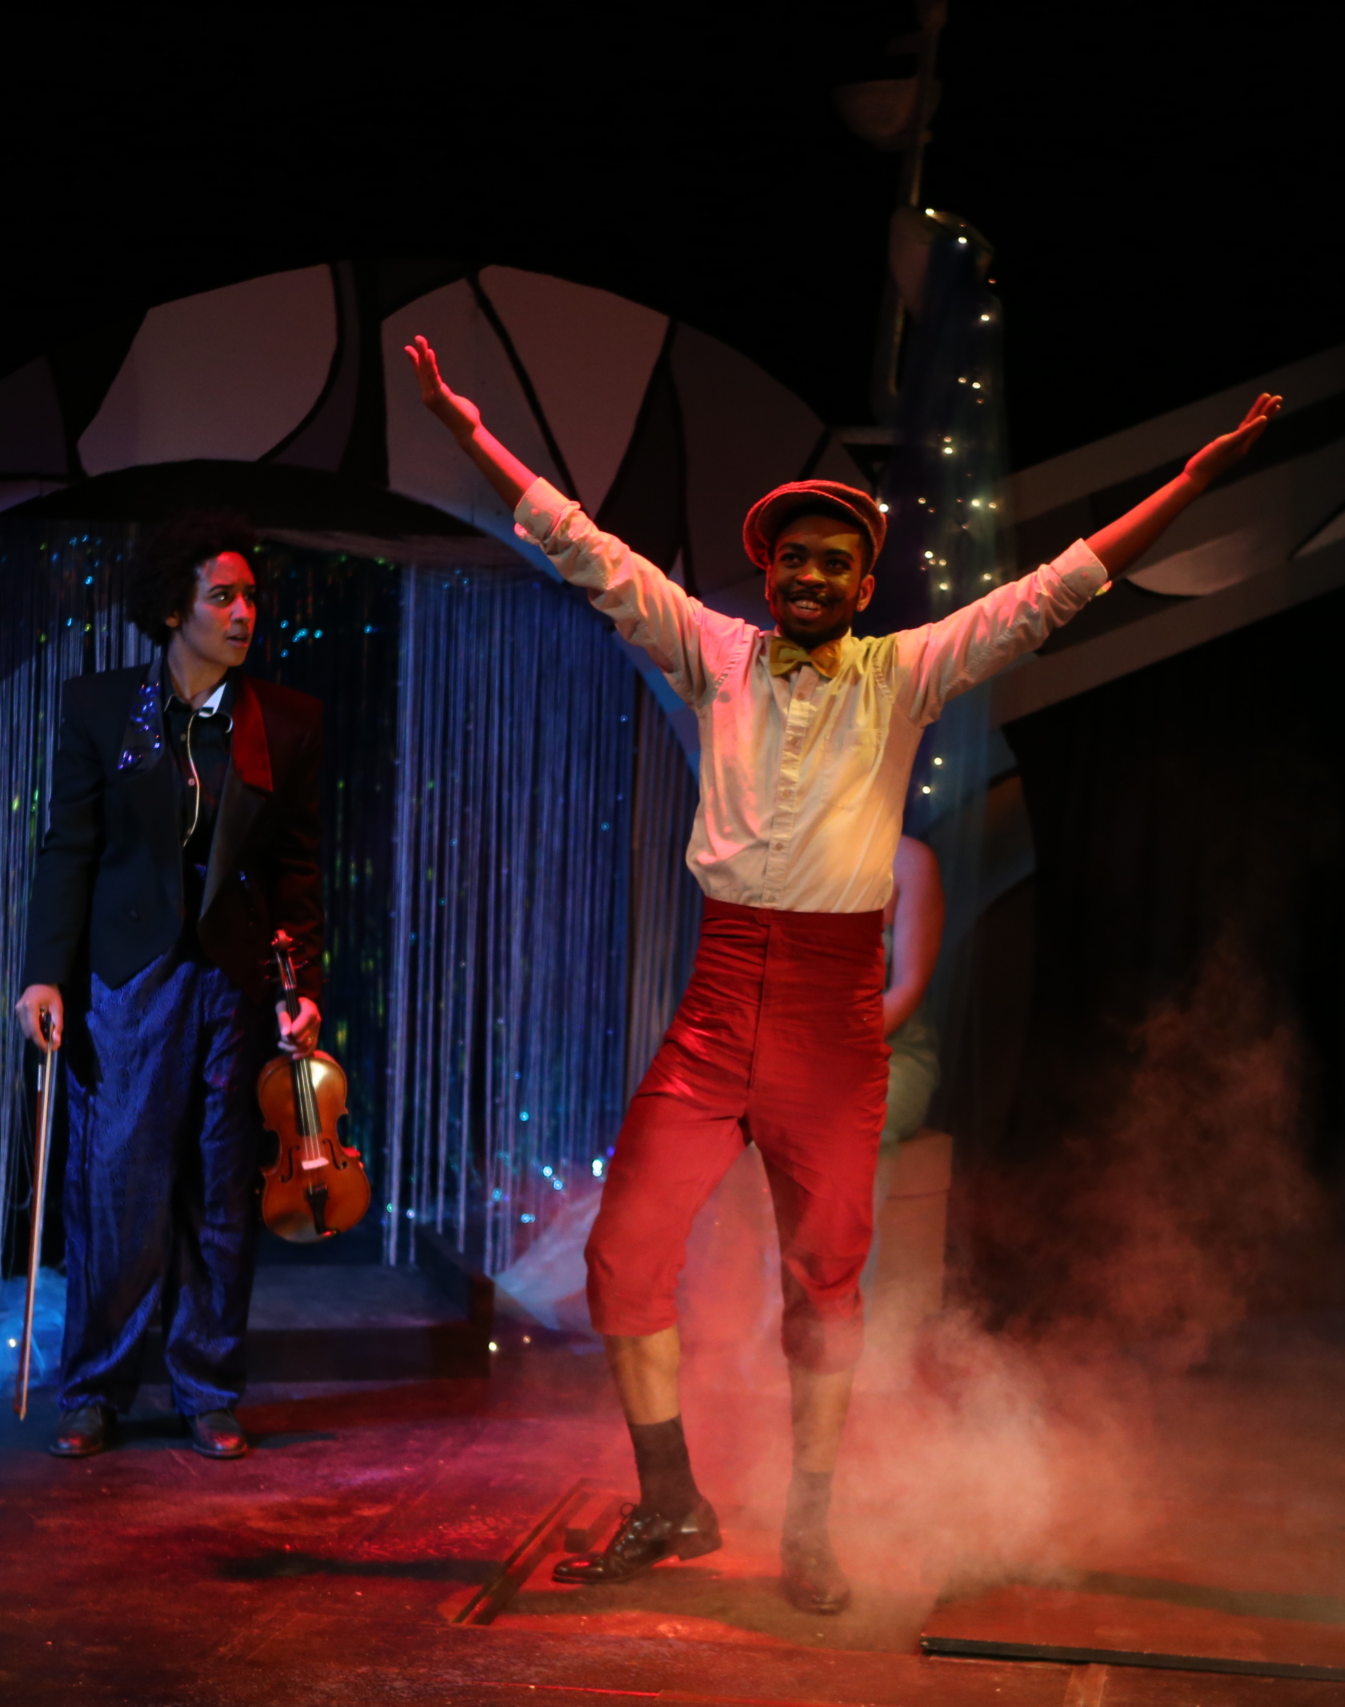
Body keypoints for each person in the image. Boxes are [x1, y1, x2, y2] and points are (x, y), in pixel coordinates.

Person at [407, 333, 1278, 1613]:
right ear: (764, 572)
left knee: (823, 1287)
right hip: (717, 1005)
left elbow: (1057, 590)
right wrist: (467, 432)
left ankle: (810, 1524)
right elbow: (583, 549)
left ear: (864, 581)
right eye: (792, 558)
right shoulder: (713, 652)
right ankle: (671, 1502)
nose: (810, 575)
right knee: (622, 1259)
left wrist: (1193, 485)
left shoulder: (905, 672)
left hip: (827, 1017)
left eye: (834, 560)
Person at [13, 510, 327, 1461]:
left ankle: (207, 1385)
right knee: (115, 1180)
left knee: (221, 1184)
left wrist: (299, 980)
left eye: (250, 596)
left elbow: (299, 869)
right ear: (169, 610)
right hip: (126, 969)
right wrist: (42, 973)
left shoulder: (283, 721)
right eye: (221, 596)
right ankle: (94, 1388)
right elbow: (69, 847)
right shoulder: (101, 707)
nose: (243, 613)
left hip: (231, 973)